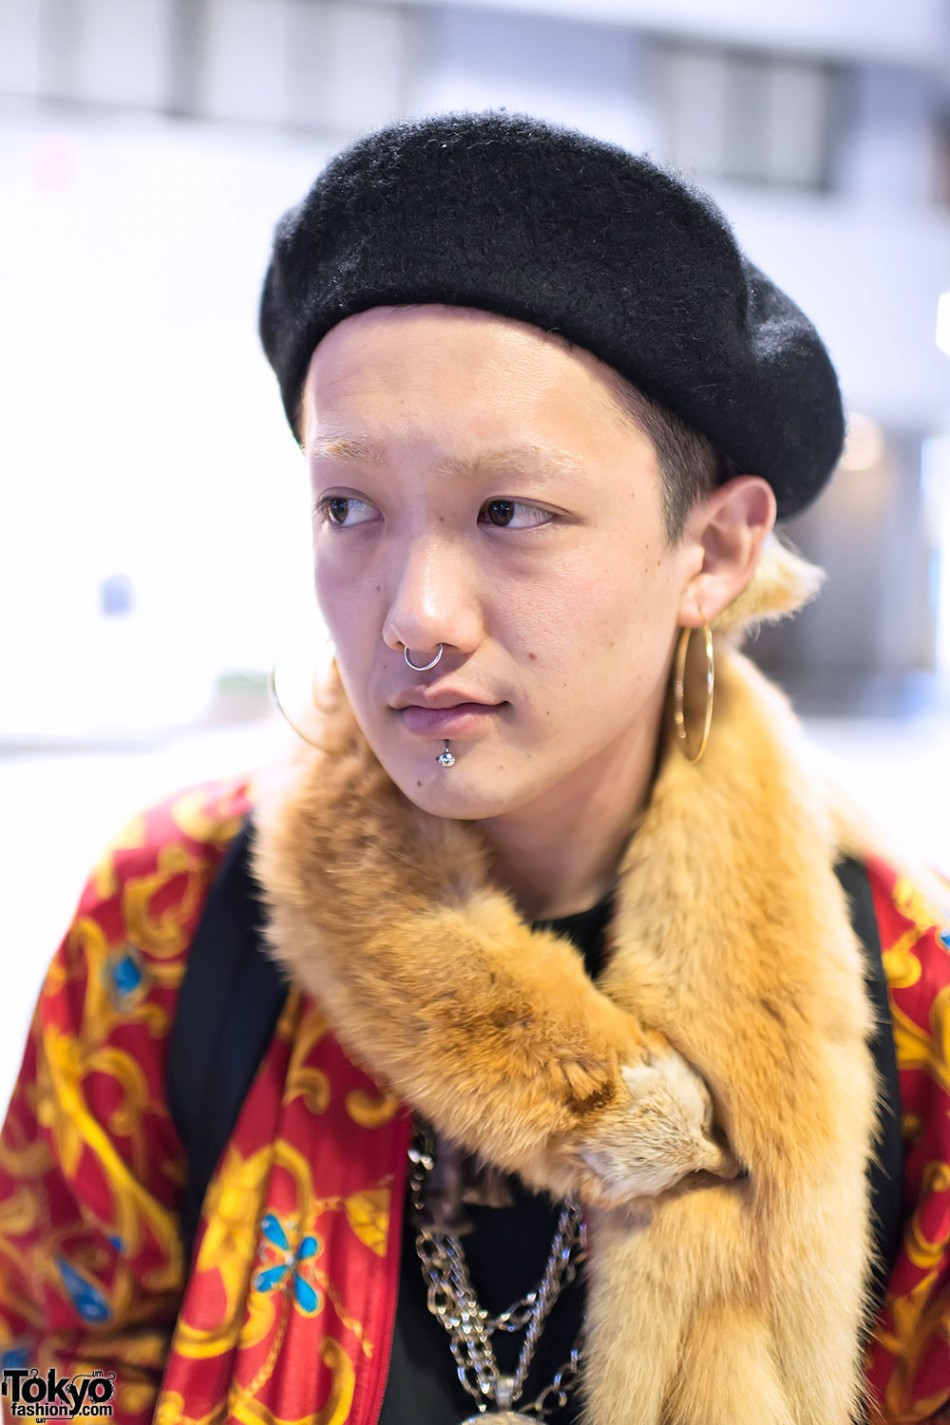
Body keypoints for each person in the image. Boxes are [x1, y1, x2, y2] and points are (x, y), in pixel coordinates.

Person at [1, 112, 948, 1425]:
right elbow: (38, 1364)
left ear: (717, 550)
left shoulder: (901, 997)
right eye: (348, 509)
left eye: (511, 511)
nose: (412, 612)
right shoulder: (172, 915)